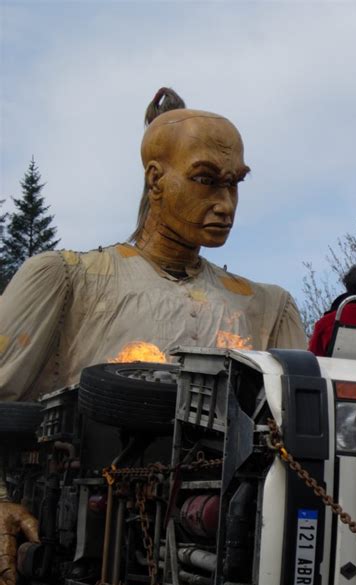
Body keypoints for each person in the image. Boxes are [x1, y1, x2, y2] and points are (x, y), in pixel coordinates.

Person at [0, 88, 306, 401]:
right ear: (155, 179)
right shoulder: (67, 279)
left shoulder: (268, 308)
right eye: (204, 180)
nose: (225, 205)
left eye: (233, 183)